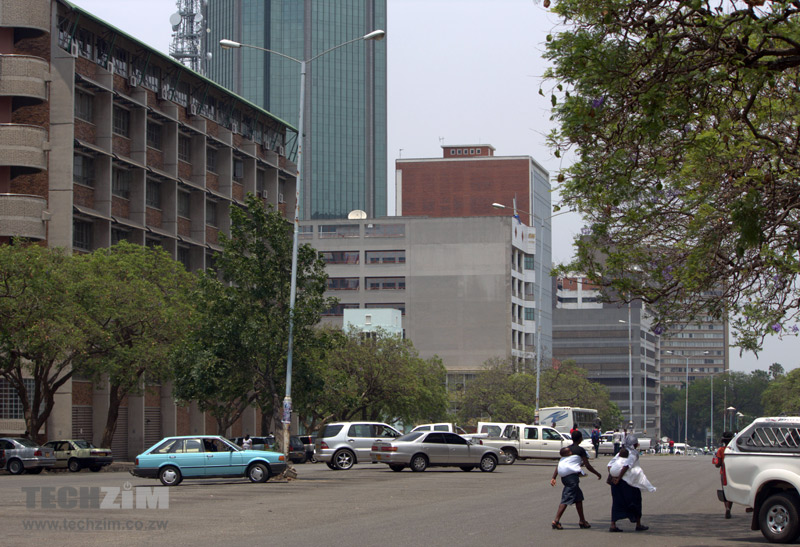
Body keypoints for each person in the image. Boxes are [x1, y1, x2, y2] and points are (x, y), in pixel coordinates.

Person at [549, 430, 602, 530]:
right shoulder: (580, 450)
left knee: (578, 498)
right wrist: (597, 473)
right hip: (571, 477)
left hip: (564, 477)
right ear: (580, 438)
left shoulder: (567, 449)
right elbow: (587, 465)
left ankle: (582, 521)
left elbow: (561, 463)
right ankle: (556, 521)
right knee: (566, 498)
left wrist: (554, 477)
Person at [608, 434, 653, 533]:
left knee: (617, 502)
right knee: (635, 501)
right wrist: (619, 478)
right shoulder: (633, 453)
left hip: (615, 482)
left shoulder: (620, 453)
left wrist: (613, 477)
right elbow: (626, 466)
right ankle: (638, 524)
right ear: (634, 444)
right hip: (629, 482)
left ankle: (613, 525)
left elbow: (610, 465)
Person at [714, 431, 735, 518]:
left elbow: (718, 464)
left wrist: (716, 463)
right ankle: (729, 507)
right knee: (731, 492)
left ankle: (727, 508)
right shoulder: (734, 449)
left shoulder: (721, 450)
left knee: (725, 491)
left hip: (724, 473)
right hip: (733, 473)